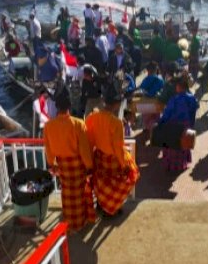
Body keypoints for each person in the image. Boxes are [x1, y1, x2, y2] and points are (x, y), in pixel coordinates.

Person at [43, 87, 96, 233]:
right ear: (70, 106)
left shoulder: (48, 126)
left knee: (66, 192)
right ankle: (79, 221)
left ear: (56, 107)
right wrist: (89, 166)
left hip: (62, 165)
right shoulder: (78, 123)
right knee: (79, 193)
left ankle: (69, 220)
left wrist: (51, 164)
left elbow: (48, 148)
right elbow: (85, 149)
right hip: (77, 165)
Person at [86, 82, 140, 217]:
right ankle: (112, 209)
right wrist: (124, 165)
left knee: (101, 184)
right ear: (116, 104)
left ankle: (101, 205)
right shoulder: (116, 123)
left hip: (98, 156)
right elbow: (118, 147)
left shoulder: (92, 117)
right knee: (124, 179)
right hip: (113, 159)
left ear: (104, 101)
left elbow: (89, 140)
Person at [157, 76, 198, 172]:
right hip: (185, 124)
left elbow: (167, 113)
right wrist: (191, 124)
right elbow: (193, 112)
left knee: (172, 145)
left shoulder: (174, 99)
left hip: (173, 124)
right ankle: (181, 165)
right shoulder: (191, 98)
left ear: (179, 87)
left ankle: (171, 166)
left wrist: (161, 123)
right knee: (183, 144)